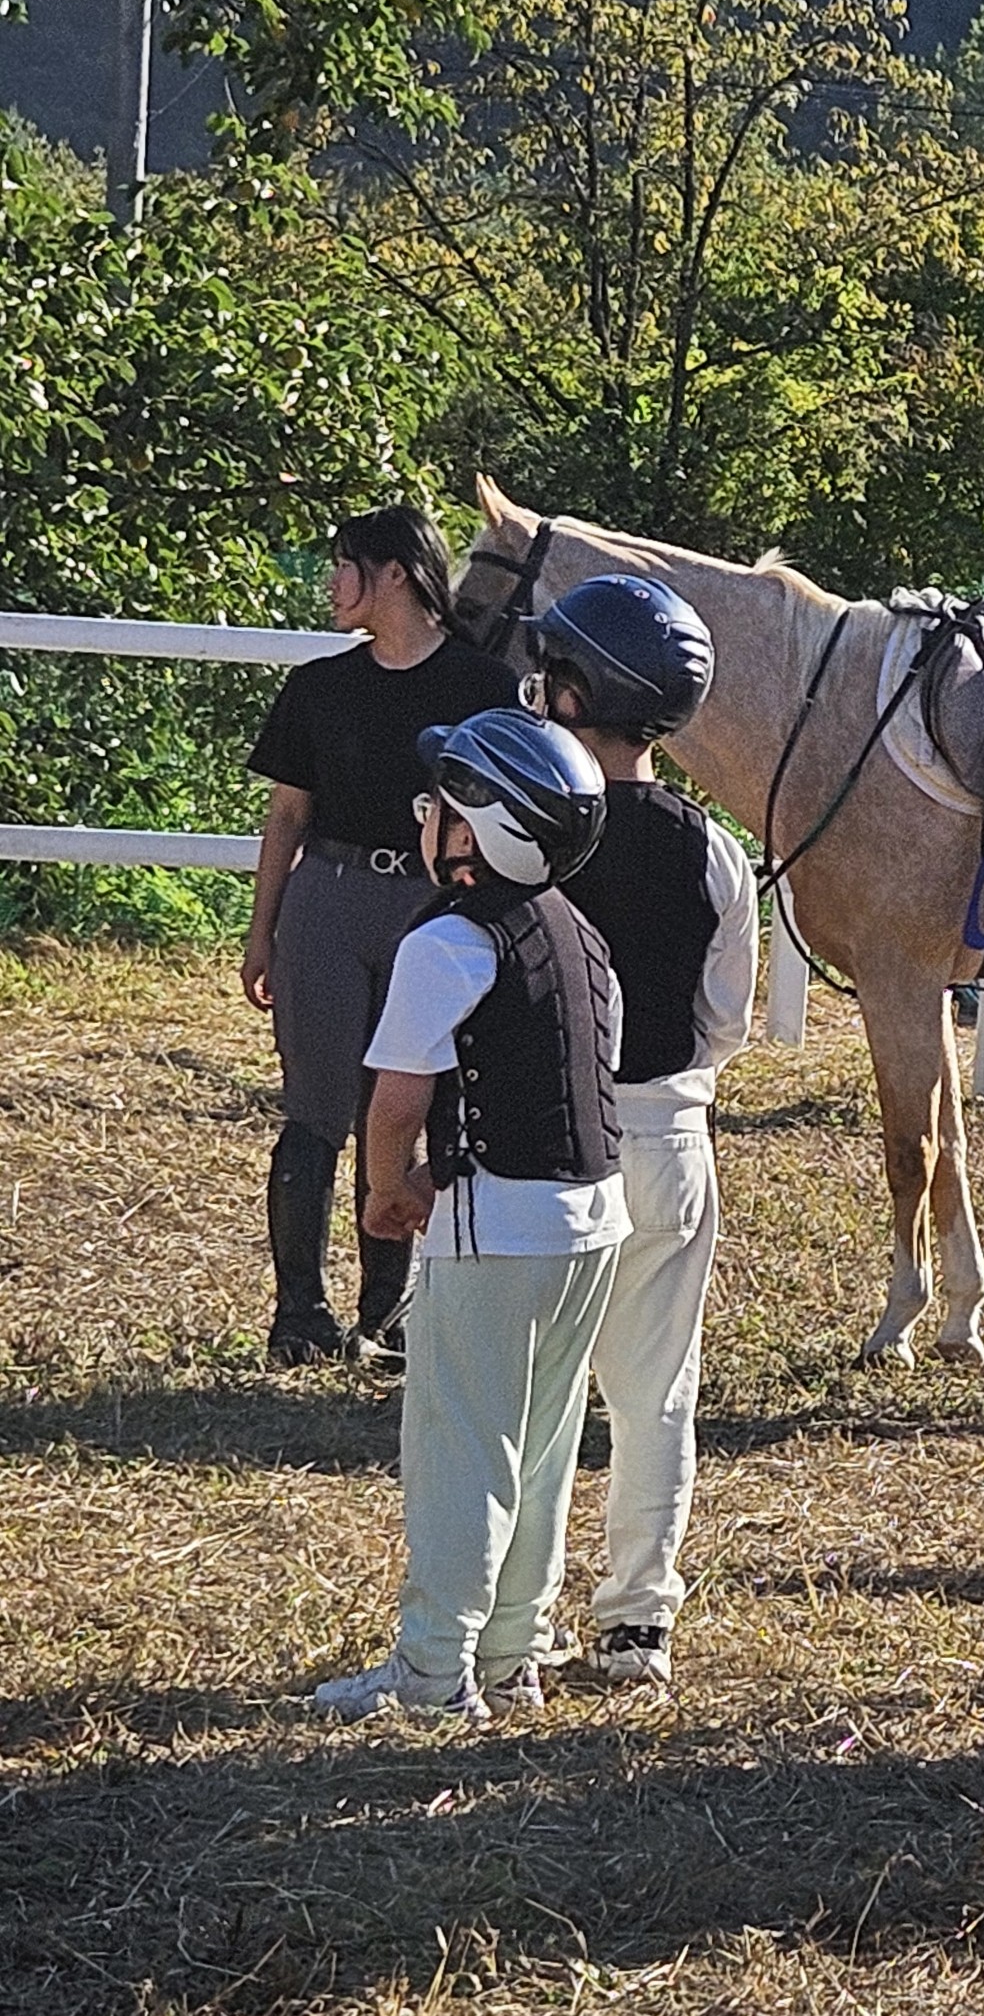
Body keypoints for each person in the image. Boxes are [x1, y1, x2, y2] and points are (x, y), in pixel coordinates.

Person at [311, 711, 624, 1728]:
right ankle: (513, 1653)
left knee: (462, 1448)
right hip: (594, 1219)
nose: (427, 818)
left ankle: (434, 1670)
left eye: (440, 804)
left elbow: (396, 1099)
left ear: (481, 828)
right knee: (542, 1447)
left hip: (499, 1223)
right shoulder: (578, 931)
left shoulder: (449, 939)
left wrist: (384, 1189)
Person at [525, 575, 759, 1695]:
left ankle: (516, 1620)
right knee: (656, 1389)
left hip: (544, 1134)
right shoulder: (711, 849)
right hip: (668, 1130)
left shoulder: (531, 825)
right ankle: (636, 1622)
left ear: (576, 694)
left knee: (536, 1392)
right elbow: (726, 1017)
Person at [242, 507, 521, 1366]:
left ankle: (387, 1312)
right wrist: (262, 932)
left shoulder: (483, 688)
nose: (331, 582)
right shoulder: (318, 687)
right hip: (326, 902)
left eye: (344, 564)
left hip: (432, 909)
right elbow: (286, 818)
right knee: (315, 1109)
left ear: (394, 571)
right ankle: (299, 1314)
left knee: (408, 1104)